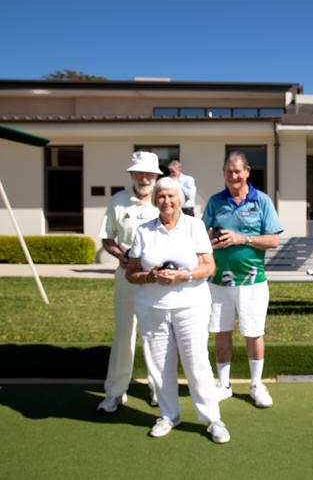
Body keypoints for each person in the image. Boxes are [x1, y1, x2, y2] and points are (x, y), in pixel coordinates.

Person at [125, 177, 230, 443]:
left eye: (171, 196)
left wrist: (183, 276)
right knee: (159, 366)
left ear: (180, 199)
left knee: (196, 363)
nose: (166, 201)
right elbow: (131, 272)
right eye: (161, 196)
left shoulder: (194, 226)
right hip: (152, 308)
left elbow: (209, 267)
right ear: (155, 199)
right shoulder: (143, 230)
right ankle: (168, 415)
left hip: (191, 306)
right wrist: (150, 276)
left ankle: (212, 419)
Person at [202, 151, 283, 408]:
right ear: (224, 173)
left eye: (237, 171)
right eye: (228, 171)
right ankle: (223, 385)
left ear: (247, 171)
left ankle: (256, 384)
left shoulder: (261, 201)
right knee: (221, 332)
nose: (233, 176)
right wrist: (211, 239)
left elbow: (273, 240)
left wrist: (242, 238)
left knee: (254, 333)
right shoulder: (215, 202)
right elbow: (202, 235)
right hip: (218, 282)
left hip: (252, 282)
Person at [97, 151, 162, 413]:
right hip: (127, 278)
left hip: (157, 281)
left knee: (157, 335)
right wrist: (122, 256)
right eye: (140, 172)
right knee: (125, 334)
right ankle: (115, 392)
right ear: (132, 174)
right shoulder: (118, 201)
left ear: (157, 176)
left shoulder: (165, 200)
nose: (145, 177)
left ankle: (159, 390)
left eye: (149, 173)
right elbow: (107, 239)